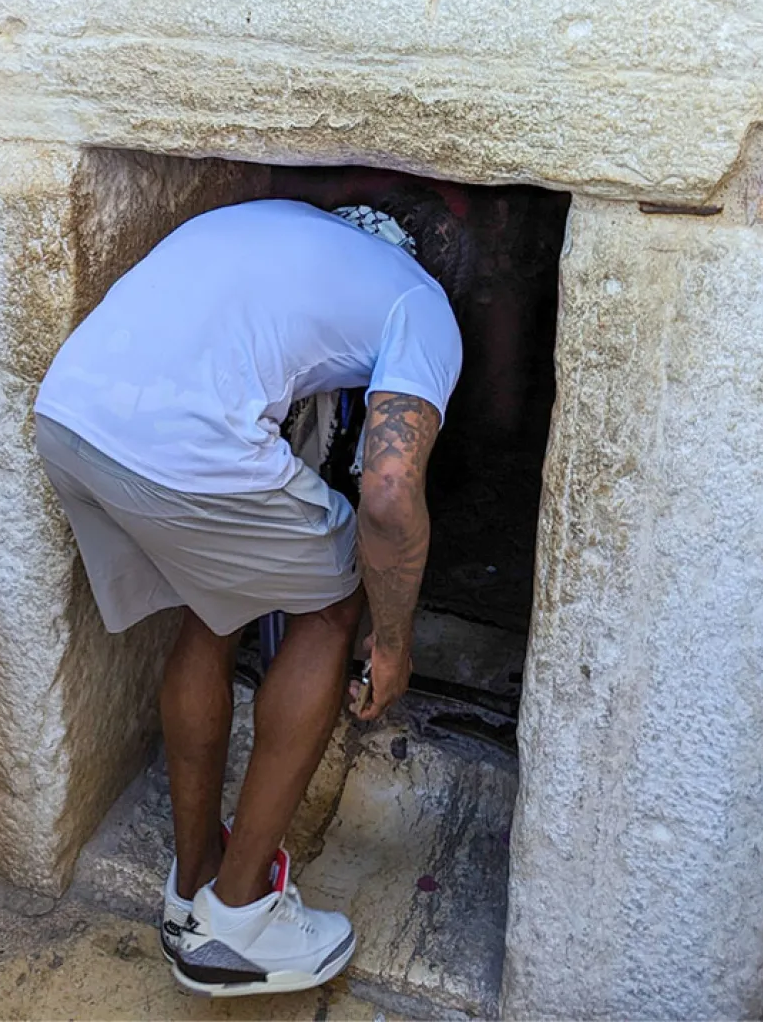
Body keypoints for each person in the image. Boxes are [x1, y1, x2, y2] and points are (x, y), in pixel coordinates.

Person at [33, 193, 465, 997]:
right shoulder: (422, 302)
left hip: (68, 421)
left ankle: (190, 885)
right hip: (185, 448)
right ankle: (236, 921)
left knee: (213, 602)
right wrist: (395, 638)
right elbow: (391, 489)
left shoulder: (270, 226)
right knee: (332, 601)